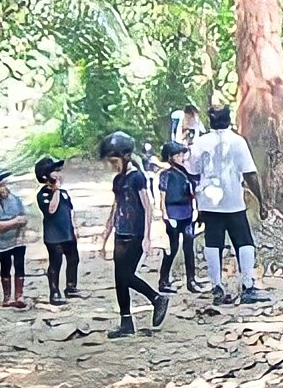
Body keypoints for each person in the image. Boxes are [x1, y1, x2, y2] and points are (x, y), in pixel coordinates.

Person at [191, 105, 271, 305]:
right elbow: (249, 174)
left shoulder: (200, 143)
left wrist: (197, 205)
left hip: (209, 202)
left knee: (213, 243)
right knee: (244, 242)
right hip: (233, 201)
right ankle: (247, 286)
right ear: (228, 119)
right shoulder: (237, 142)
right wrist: (261, 201)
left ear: (210, 121)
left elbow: (193, 175)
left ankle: (217, 287)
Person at [96, 132, 169, 338]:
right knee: (120, 280)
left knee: (126, 276)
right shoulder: (118, 180)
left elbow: (148, 207)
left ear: (125, 157)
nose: (112, 165)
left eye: (114, 161)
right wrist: (106, 233)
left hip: (135, 234)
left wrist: (148, 236)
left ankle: (156, 298)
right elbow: (116, 206)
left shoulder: (137, 178)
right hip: (121, 232)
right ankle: (126, 322)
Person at [156, 140, 204, 295]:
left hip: (187, 211)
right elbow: (162, 195)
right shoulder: (166, 175)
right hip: (173, 212)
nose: (181, 157)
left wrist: (196, 209)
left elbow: (193, 192)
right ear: (170, 157)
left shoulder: (185, 173)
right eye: (178, 154)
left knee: (189, 246)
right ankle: (163, 280)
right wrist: (164, 213)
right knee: (173, 247)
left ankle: (191, 279)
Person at [34, 156, 81, 305]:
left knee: (73, 259)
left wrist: (75, 227)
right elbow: (51, 210)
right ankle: (54, 292)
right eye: (55, 171)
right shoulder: (43, 195)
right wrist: (55, 191)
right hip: (54, 236)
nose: (59, 174)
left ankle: (71, 286)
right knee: (56, 263)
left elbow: (70, 210)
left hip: (68, 233)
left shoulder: (65, 193)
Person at [0, 167, 30, 309]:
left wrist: (11, 223)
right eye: (0, 186)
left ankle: (19, 295)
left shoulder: (16, 200)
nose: (3, 188)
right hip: (3, 243)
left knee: (19, 266)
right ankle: (7, 297)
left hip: (18, 240)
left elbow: (24, 218)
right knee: (5, 267)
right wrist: (14, 222)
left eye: (4, 184)